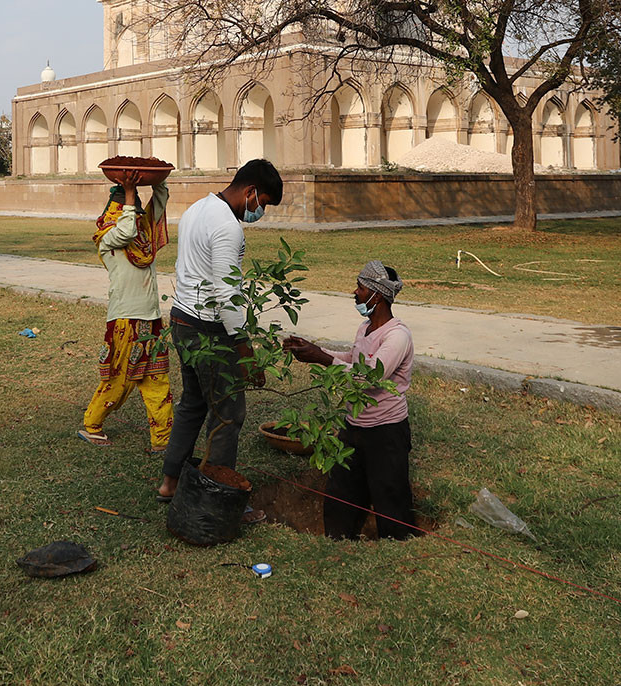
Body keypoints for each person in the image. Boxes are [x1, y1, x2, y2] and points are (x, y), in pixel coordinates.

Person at [157, 159, 283, 509]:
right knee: (228, 413)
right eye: (263, 203)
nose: (260, 212)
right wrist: (245, 350)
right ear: (251, 191)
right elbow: (227, 293)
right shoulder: (228, 227)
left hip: (182, 320)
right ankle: (217, 498)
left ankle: (170, 483)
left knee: (192, 405)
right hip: (209, 331)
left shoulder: (198, 208)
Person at [286, 261, 417, 540]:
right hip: (353, 425)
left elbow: (369, 377)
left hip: (385, 431)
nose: (355, 293)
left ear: (377, 295)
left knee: (389, 494)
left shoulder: (397, 336)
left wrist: (320, 358)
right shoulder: (366, 327)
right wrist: (314, 349)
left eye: (360, 287)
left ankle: (396, 544)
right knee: (341, 493)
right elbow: (352, 360)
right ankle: (338, 539)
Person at [79, 170, 172, 451]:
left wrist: (157, 178)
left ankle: (162, 441)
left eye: (136, 206)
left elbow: (160, 200)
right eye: (130, 207)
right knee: (118, 381)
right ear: (116, 213)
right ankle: (92, 425)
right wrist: (130, 194)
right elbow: (127, 229)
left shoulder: (142, 236)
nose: (137, 212)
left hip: (151, 320)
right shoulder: (108, 239)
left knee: (157, 380)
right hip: (125, 320)